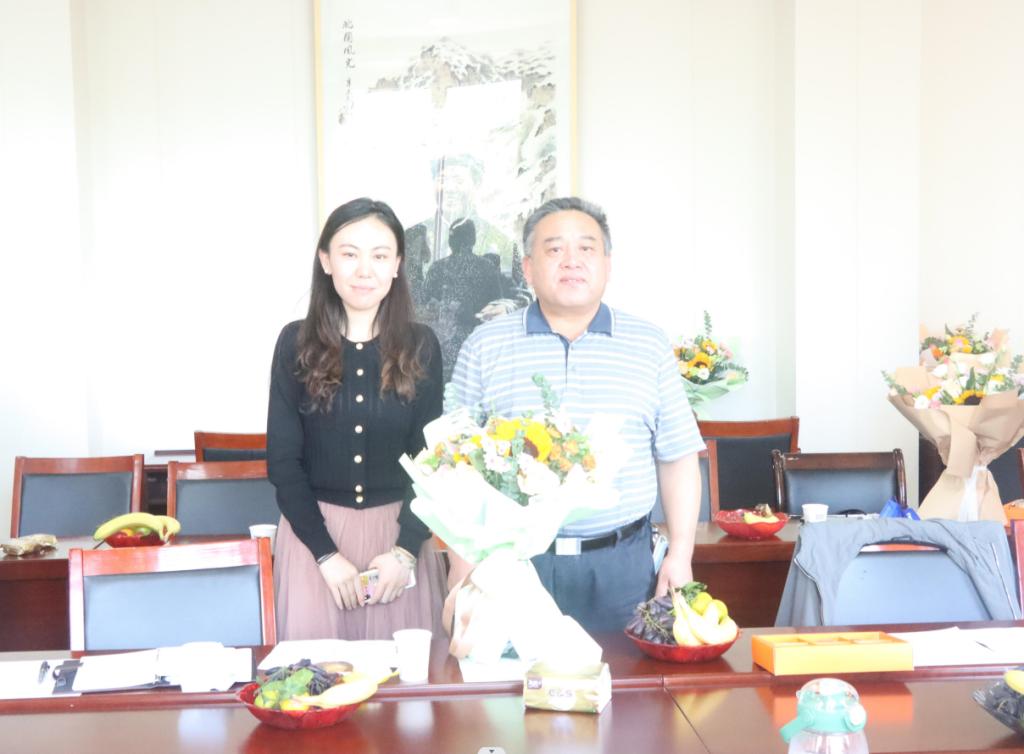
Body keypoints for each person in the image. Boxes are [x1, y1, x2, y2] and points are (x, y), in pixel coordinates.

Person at [447, 197, 705, 634]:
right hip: (514, 566)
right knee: (515, 678)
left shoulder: (648, 344)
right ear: (528, 268)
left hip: (623, 567)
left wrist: (681, 554)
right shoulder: (485, 345)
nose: (571, 261)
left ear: (607, 264)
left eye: (586, 248)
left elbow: (677, 457)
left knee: (627, 678)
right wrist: (463, 568)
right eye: (554, 249)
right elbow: (456, 468)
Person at [267, 197, 446, 640]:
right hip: (314, 542)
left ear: (397, 265)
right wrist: (326, 555)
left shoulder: (422, 345)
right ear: (326, 261)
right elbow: (283, 462)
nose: (365, 270)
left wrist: (406, 551)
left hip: (399, 540)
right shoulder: (295, 343)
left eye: (380, 256)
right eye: (350, 254)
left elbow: (432, 461)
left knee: (407, 680)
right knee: (317, 674)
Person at [421, 218, 503, 380]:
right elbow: (498, 308)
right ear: (473, 240)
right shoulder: (487, 268)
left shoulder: (438, 268)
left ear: (450, 241)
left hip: (442, 347)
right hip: (476, 348)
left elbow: (425, 303)